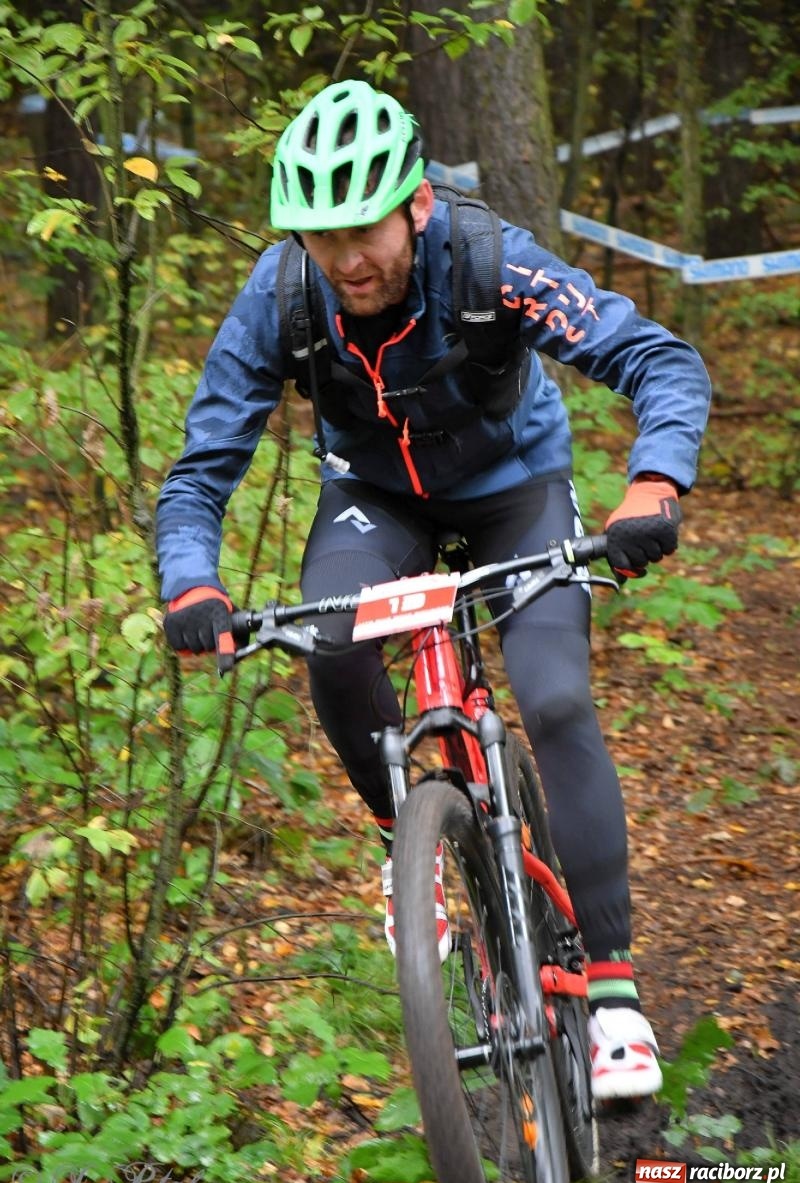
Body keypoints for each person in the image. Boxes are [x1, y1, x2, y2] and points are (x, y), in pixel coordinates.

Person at [157, 79, 711, 1100]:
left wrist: (650, 482)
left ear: (413, 204)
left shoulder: (489, 263)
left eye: (361, 230)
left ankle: (614, 994)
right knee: (332, 648)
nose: (344, 261)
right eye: (320, 238)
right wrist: (192, 583)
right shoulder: (280, 296)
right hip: (376, 502)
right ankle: (410, 845)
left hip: (514, 492)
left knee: (550, 696)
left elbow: (652, 358)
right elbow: (200, 471)